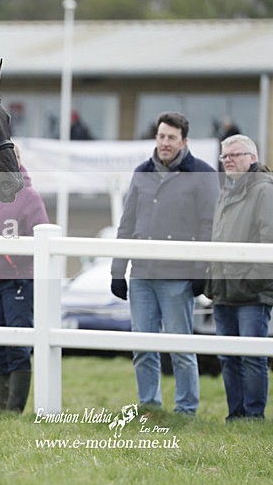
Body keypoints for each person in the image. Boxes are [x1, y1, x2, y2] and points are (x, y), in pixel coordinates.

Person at [110, 111, 219, 416]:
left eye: (171, 137)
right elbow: (126, 224)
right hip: (142, 276)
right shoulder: (141, 172)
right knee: (143, 348)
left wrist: (201, 271)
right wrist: (118, 271)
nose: (165, 143)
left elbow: (209, 226)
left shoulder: (203, 174)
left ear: (184, 141)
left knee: (181, 348)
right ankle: (149, 407)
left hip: (178, 277)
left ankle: (186, 409)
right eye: (161, 136)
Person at [0, 155, 49, 413]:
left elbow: (41, 235)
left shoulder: (29, 196)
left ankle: (13, 410)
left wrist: (12, 257)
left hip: (17, 281)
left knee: (17, 345)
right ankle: (1, 409)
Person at [205, 134, 273, 421]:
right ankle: (235, 416)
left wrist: (253, 282)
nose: (228, 160)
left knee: (251, 356)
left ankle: (253, 417)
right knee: (227, 356)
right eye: (225, 156)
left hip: (251, 292)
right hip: (224, 289)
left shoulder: (264, 190)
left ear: (252, 158)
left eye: (235, 154)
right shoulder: (225, 191)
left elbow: (269, 239)